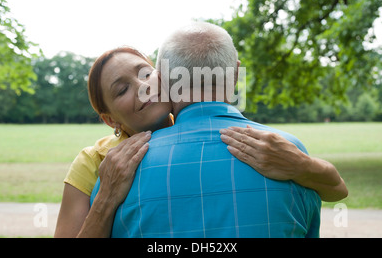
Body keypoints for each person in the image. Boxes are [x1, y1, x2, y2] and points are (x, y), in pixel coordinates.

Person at [56, 42, 347, 238]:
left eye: (146, 73)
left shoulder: (222, 133)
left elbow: (337, 190)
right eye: (122, 90)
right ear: (110, 121)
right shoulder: (94, 161)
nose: (144, 87)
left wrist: (301, 165)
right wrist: (106, 199)